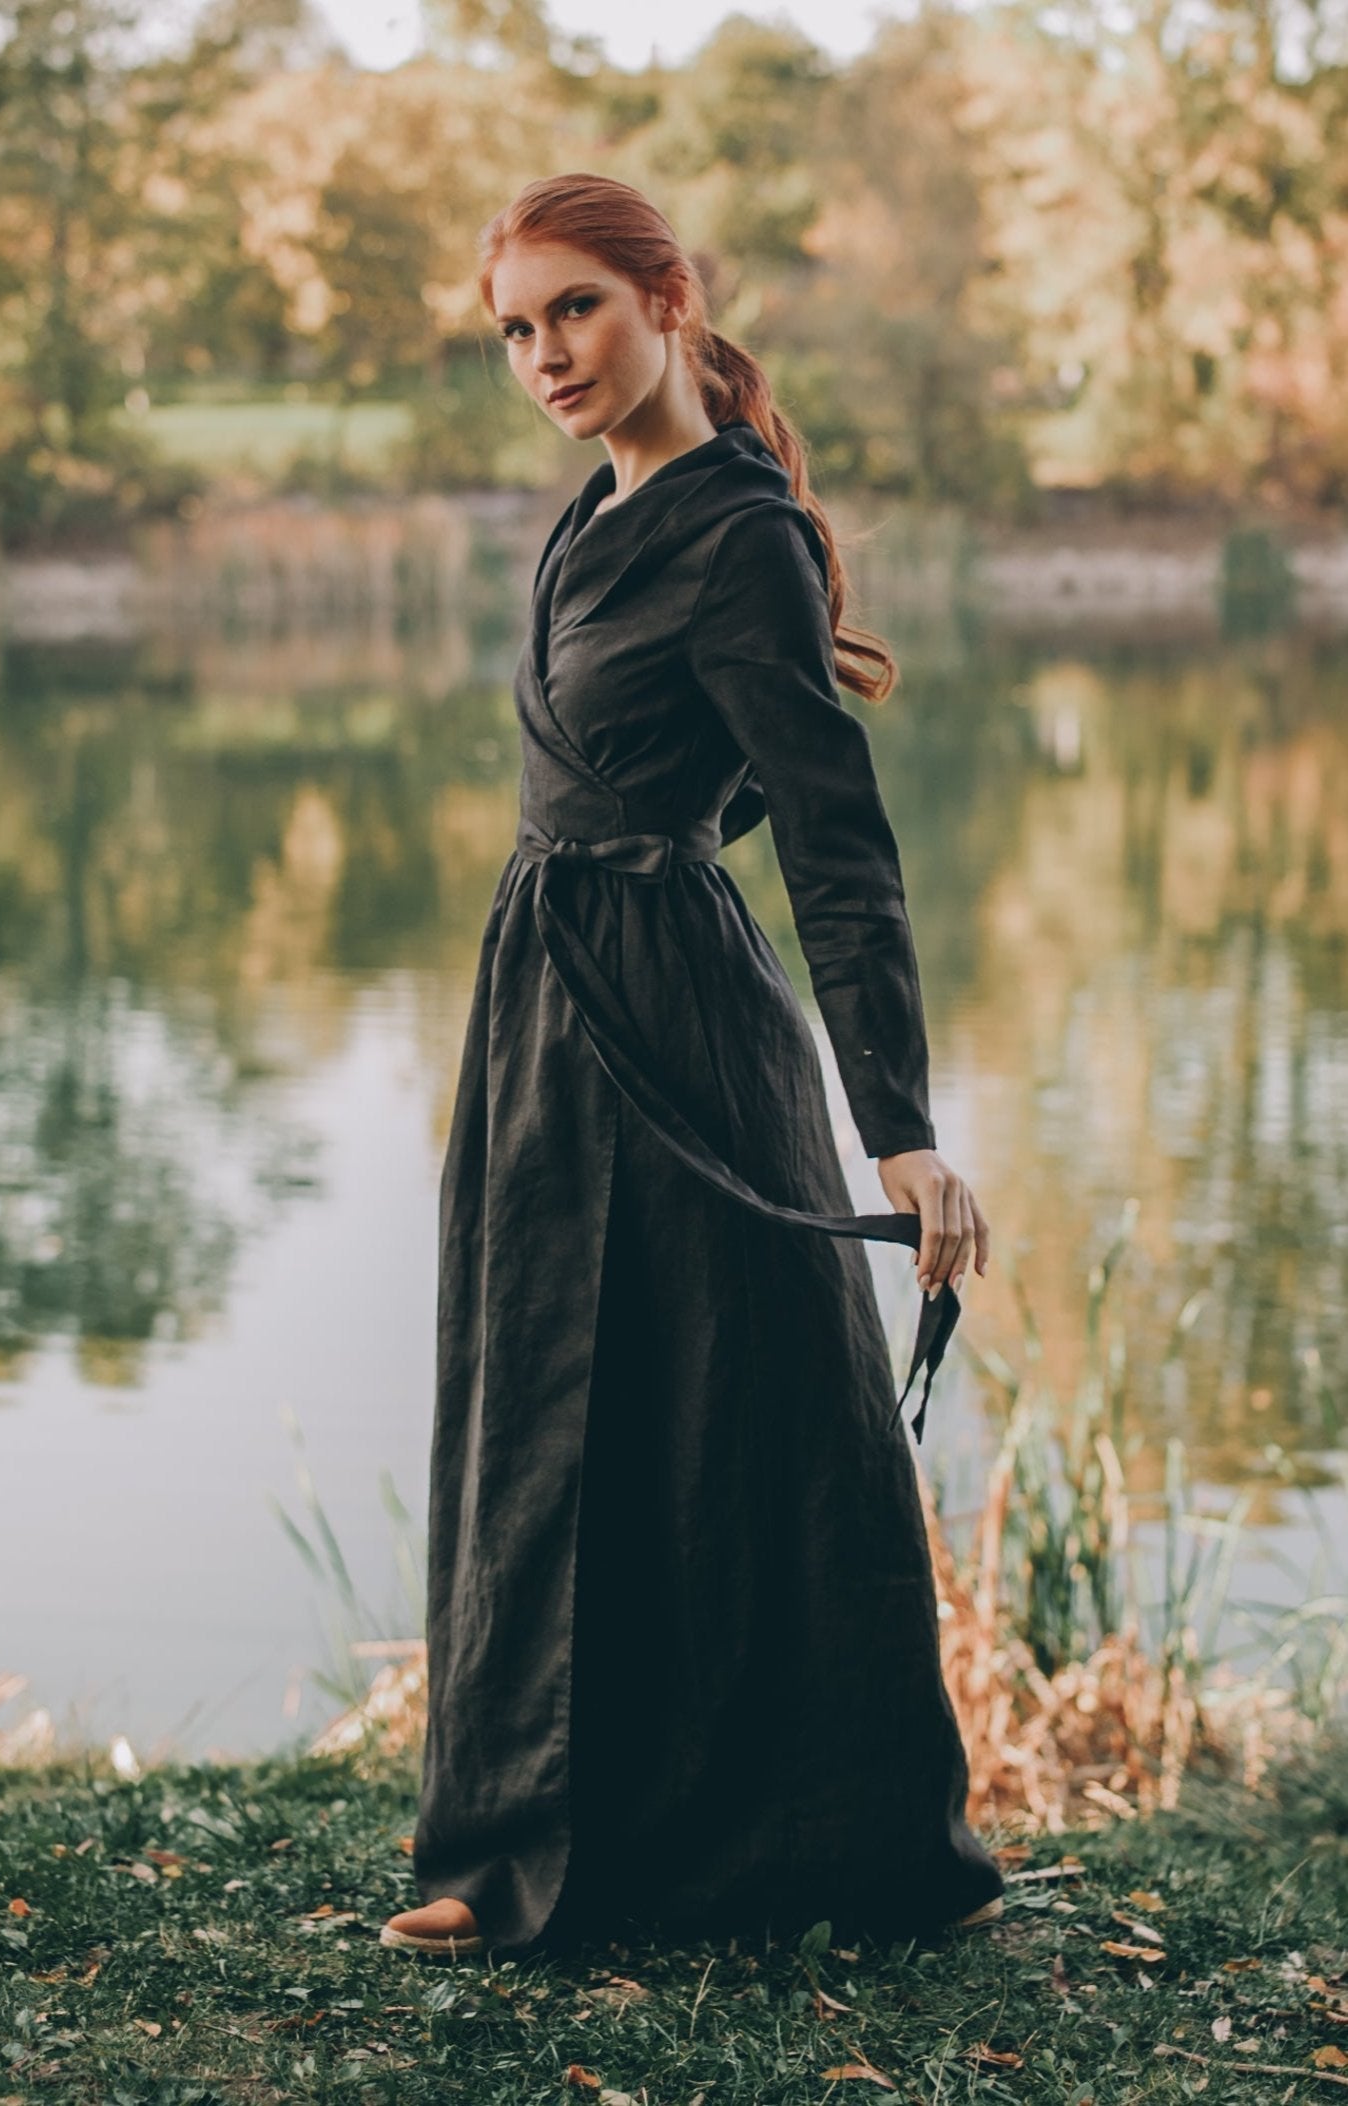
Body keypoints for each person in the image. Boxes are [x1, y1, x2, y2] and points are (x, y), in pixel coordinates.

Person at [381, 172, 1006, 1962]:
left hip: (672, 1030)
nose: (544, 354)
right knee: (549, 1402)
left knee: (728, 1417)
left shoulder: (736, 531)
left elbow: (834, 835)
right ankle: (527, 1846)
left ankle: (796, 1841)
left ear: (667, 295)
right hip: (549, 1007)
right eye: (514, 328)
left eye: (573, 308)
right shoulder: (599, 510)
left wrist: (898, 1130)